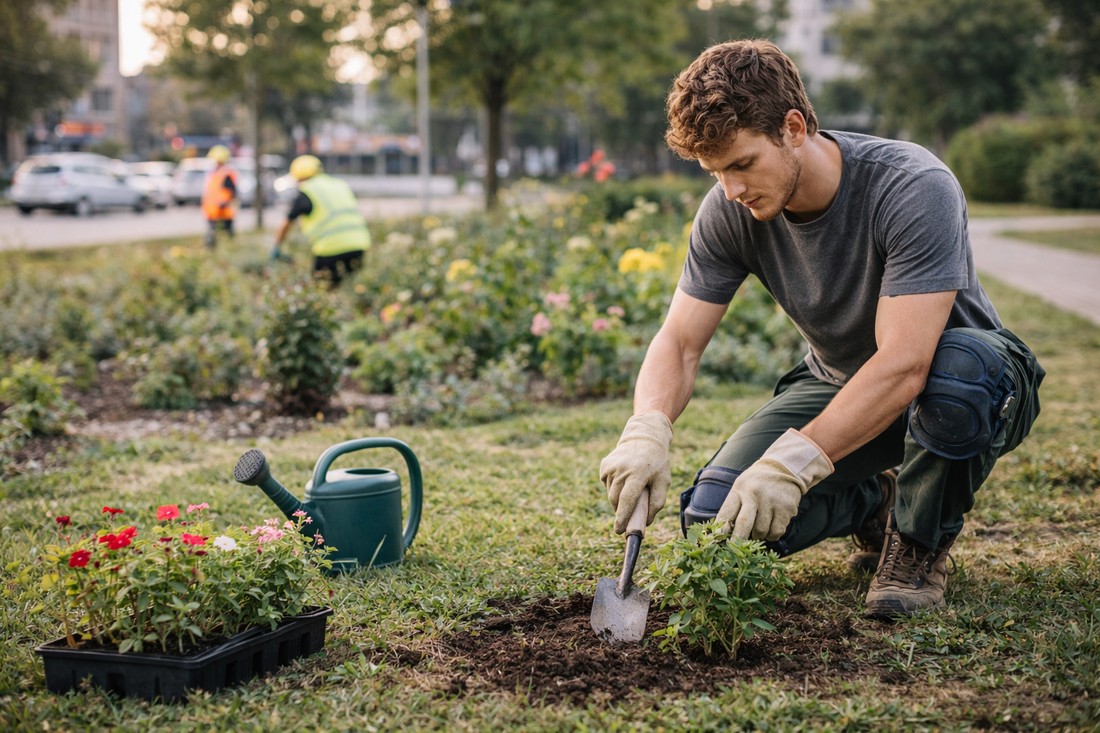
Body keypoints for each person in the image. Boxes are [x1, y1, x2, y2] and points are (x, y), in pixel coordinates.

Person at [599, 40, 1045, 618]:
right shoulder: (728, 211)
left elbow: (905, 362)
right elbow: (681, 342)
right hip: (842, 384)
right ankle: (875, 500)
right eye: (716, 172)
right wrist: (647, 428)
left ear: (793, 128)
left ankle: (917, 542)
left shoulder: (911, 184)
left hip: (965, 385)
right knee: (716, 519)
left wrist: (794, 463)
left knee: (958, 379)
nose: (731, 190)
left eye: (742, 164)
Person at [271, 155, 371, 288]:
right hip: (359, 244)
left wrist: (276, 246)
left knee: (321, 288)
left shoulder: (307, 191)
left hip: (330, 248)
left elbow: (287, 223)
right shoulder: (339, 184)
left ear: (299, 177)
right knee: (349, 287)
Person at [201, 145, 238, 249]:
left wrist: (224, 202)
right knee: (213, 239)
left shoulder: (226, 174)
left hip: (223, 212)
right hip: (213, 212)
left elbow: (232, 193)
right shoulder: (213, 174)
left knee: (225, 238)